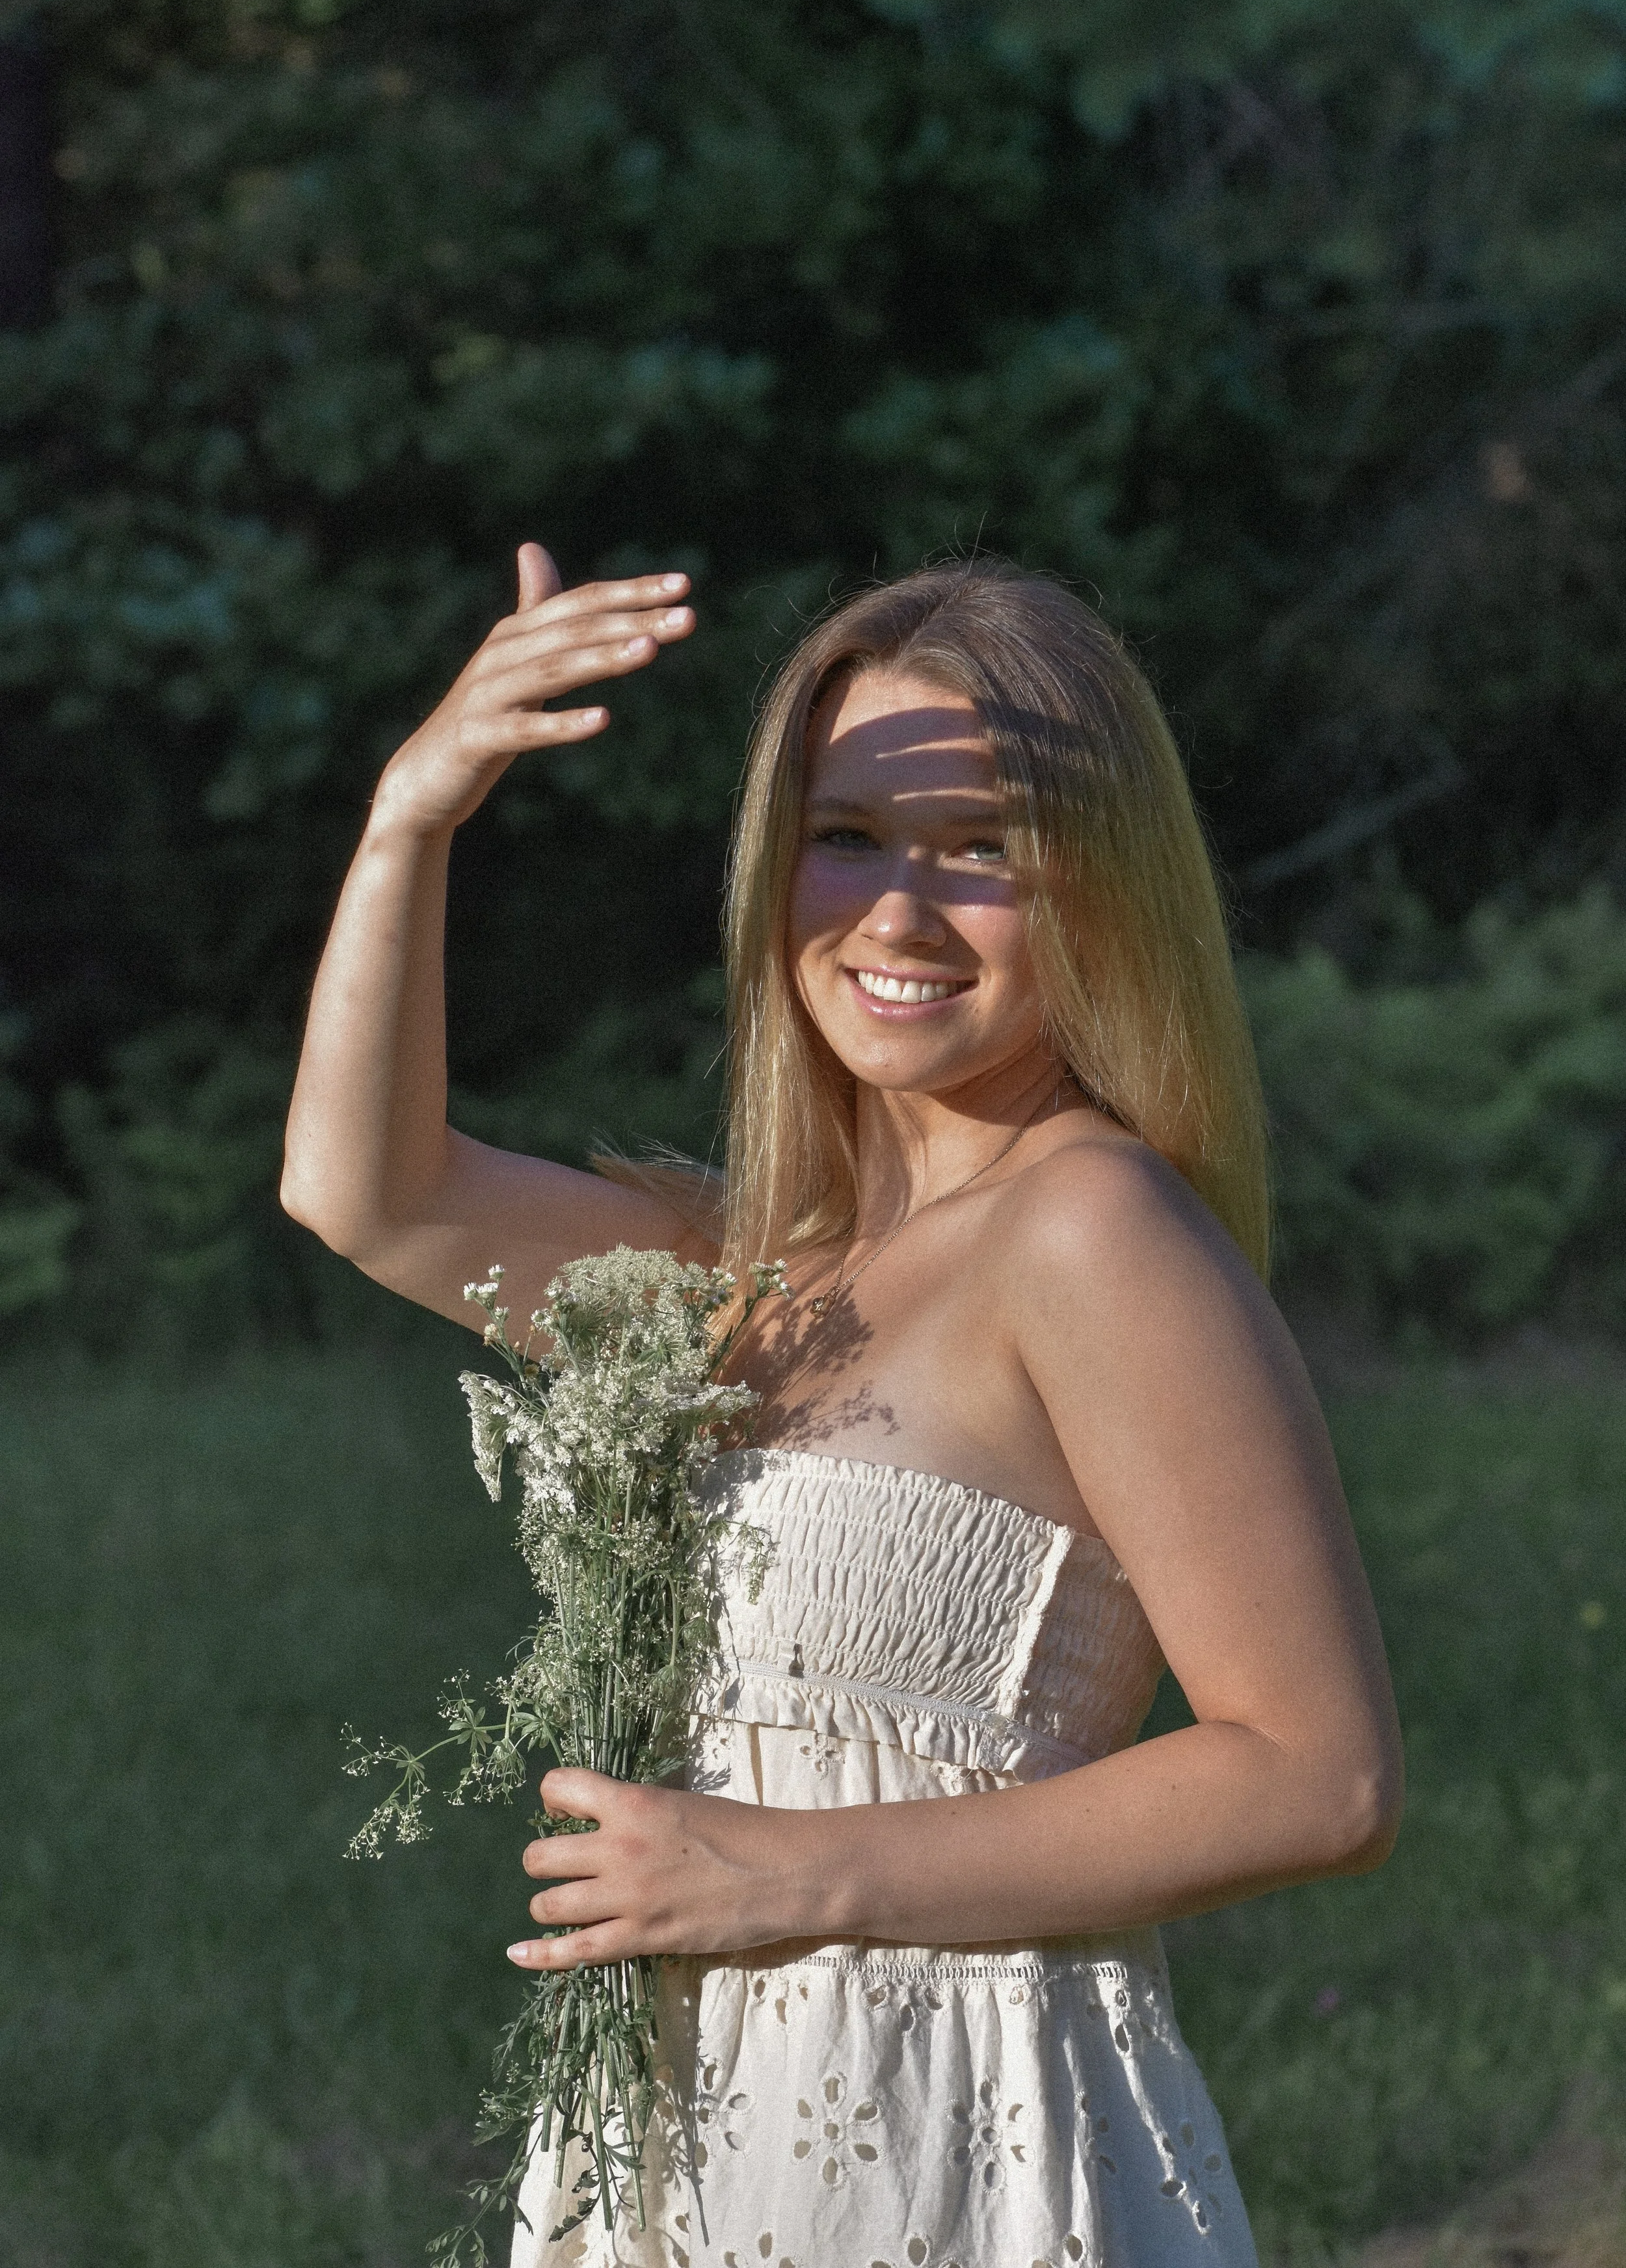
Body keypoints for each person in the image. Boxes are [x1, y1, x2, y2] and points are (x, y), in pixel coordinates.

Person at [282, 547, 1403, 2268]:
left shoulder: (1089, 1229)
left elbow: (1314, 1774)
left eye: (980, 854)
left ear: (1096, 886)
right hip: (698, 2123)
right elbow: (373, 1193)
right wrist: (412, 813)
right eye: (849, 836)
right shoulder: (751, 1274)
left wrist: (790, 1873)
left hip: (950, 2126)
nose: (893, 913)